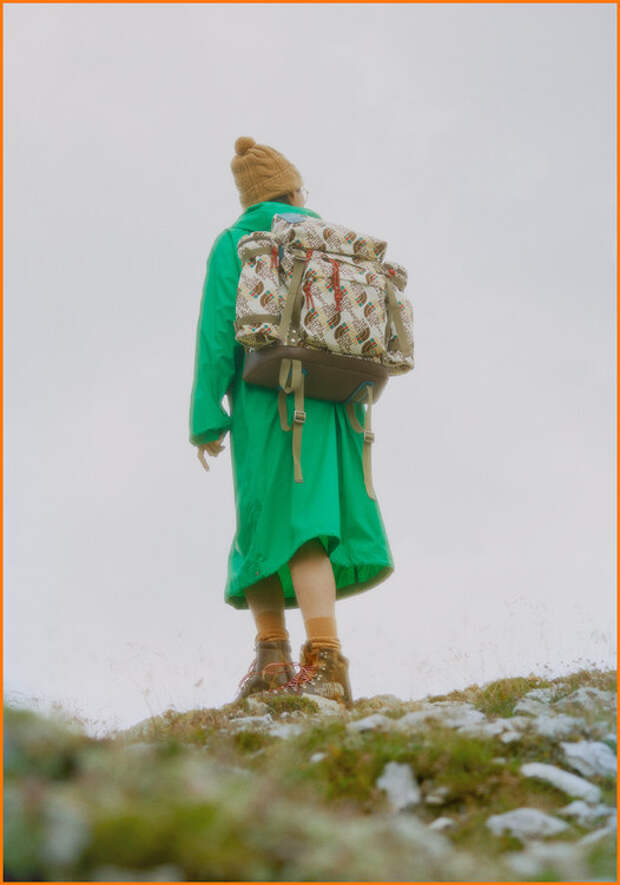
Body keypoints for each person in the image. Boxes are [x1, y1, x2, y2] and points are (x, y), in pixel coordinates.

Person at [189, 136, 395, 709]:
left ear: (248, 197)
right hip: (336, 398)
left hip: (264, 398)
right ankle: (314, 660)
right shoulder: (330, 240)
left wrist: (206, 415)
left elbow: (216, 333)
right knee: (312, 523)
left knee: (264, 525)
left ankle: (283, 659)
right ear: (295, 191)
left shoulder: (236, 241)